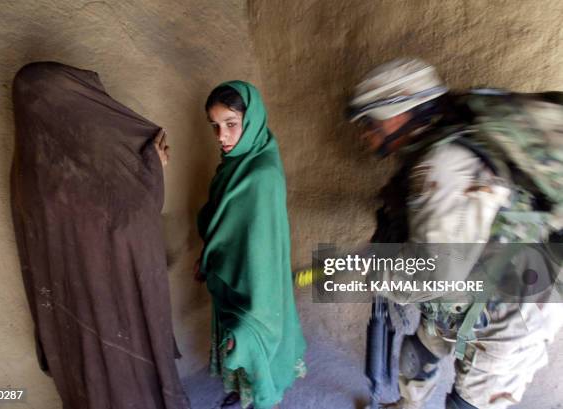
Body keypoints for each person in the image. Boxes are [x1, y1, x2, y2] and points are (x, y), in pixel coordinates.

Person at [346, 58, 563, 409]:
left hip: (515, 310)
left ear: (398, 114)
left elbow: (434, 277)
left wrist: (378, 273)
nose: (364, 133)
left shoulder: (445, 163)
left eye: (370, 121)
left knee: (468, 403)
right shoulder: (437, 152)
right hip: (473, 290)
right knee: (419, 353)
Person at [11, 61, 190, 409]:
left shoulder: (26, 173)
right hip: (114, 311)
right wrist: (151, 168)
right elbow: (134, 218)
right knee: (128, 385)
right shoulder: (79, 176)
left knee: (89, 384)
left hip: (68, 317)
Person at [196, 81, 307, 409]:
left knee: (253, 341)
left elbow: (263, 252)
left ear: (252, 119)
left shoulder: (262, 173)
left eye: (231, 124)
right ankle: (242, 393)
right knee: (237, 345)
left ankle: (262, 398)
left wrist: (257, 310)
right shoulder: (231, 166)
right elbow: (223, 226)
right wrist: (208, 256)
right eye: (215, 126)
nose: (222, 136)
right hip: (229, 274)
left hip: (256, 286)